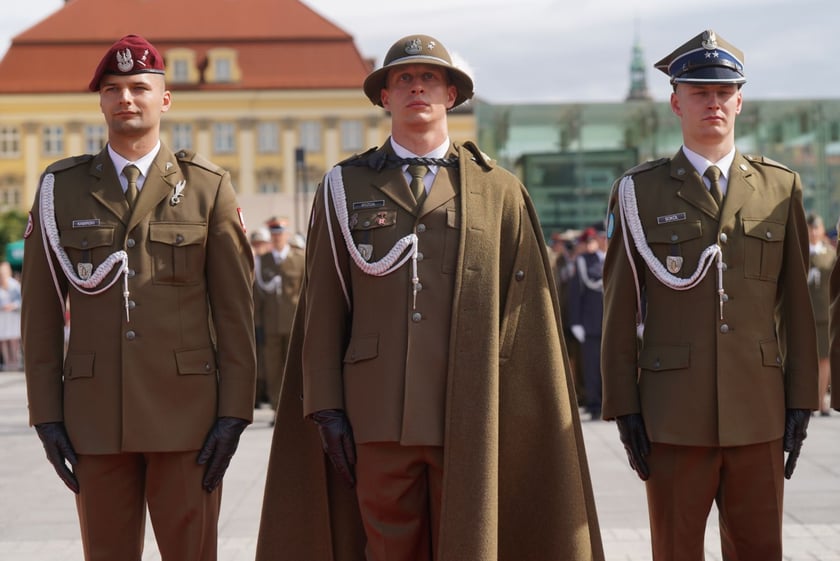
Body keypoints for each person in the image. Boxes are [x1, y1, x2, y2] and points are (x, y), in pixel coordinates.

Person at [256, 34, 603, 561]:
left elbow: (525, 317)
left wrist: (520, 410)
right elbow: (323, 305)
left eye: (429, 78)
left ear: (451, 94)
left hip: (468, 410)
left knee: (469, 547)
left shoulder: (499, 190)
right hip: (375, 415)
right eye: (403, 79)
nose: (416, 88)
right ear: (385, 97)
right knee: (387, 550)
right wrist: (325, 405)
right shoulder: (344, 186)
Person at [21, 34, 256, 561]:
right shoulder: (62, 189)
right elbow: (40, 314)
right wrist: (46, 414)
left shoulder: (207, 187)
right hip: (95, 417)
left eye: (138, 87)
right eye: (112, 89)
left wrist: (235, 412)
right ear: (101, 102)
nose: (125, 98)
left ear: (164, 99)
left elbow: (236, 313)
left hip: (188, 416)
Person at [601, 30, 818, 561]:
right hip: (672, 414)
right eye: (699, 92)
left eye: (724, 92)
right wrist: (624, 407)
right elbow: (619, 307)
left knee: (760, 550)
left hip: (758, 410)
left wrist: (801, 399)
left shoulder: (780, 187)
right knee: (675, 550)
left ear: (740, 101)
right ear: (676, 102)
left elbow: (798, 306)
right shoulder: (639, 191)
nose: (713, 103)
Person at [253, 216, 304, 410]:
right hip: (270, 325)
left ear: (286, 235)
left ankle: (296, 408)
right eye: (274, 234)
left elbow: (305, 293)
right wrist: (258, 324)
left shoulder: (299, 259)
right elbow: (258, 296)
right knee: (273, 369)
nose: (277, 237)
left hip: (293, 323)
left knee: (295, 367)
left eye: (280, 234)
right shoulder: (263, 261)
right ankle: (277, 409)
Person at [567, 226, 605, 420]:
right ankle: (594, 405)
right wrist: (576, 322)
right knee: (591, 369)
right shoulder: (582, 262)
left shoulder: (606, 259)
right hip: (589, 324)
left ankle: (608, 404)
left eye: (593, 241)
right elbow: (575, 293)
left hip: (607, 323)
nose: (591, 244)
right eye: (587, 241)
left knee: (608, 368)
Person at [807, 213, 834, 415]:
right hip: (805, 315)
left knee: (824, 359)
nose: (814, 232)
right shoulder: (800, 251)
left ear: (822, 229)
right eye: (810, 228)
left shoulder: (831, 254)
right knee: (806, 359)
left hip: (825, 315)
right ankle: (808, 400)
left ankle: (821, 401)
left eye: (817, 228)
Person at [0, 261, 22, 370]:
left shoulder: (15, 285)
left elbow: (21, 300)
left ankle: (15, 362)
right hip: (3, 316)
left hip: (13, 315)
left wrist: (12, 306)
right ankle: (7, 362)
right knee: (4, 340)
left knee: (13, 340)